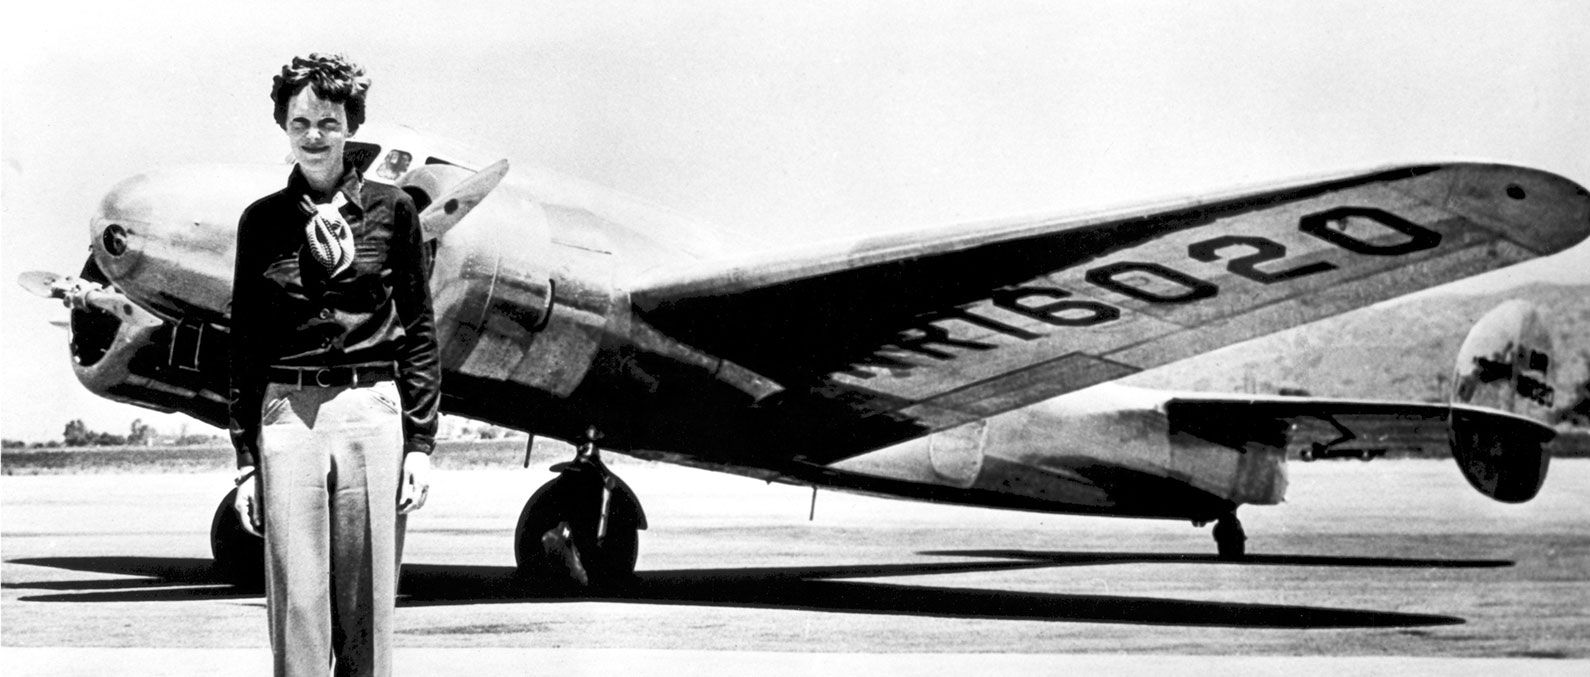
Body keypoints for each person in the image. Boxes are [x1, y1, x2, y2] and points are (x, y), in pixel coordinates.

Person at [228, 52, 441, 677]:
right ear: (284, 128)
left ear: (351, 124)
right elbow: (244, 344)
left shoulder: (394, 210)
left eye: (328, 120)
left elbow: (420, 330)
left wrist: (421, 443)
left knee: (367, 614)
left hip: (371, 412)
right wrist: (245, 460)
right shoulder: (261, 222)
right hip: (286, 416)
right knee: (297, 609)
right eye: (300, 123)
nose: (314, 136)